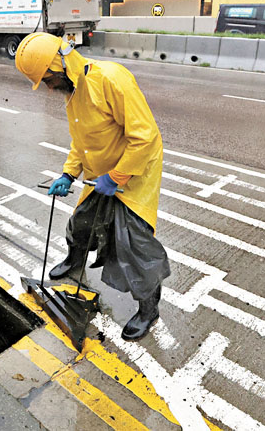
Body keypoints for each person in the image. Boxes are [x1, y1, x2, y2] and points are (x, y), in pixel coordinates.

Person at [14, 33, 170, 341]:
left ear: (61, 64)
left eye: (47, 79)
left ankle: (149, 309)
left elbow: (145, 137)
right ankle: (75, 261)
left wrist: (116, 177)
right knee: (81, 223)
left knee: (134, 247)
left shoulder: (111, 80)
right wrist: (68, 174)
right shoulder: (74, 93)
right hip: (101, 175)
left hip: (134, 176)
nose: (48, 88)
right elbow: (83, 142)